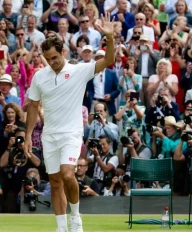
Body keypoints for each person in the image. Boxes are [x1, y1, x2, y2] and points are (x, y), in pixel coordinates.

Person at [24, 13, 115, 232]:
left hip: (71, 134)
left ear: (64, 52)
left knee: (67, 174)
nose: (52, 62)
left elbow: (109, 60)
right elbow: (34, 106)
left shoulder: (78, 71)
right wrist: (27, 135)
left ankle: (75, 218)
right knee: (55, 181)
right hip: (49, 135)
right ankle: (61, 226)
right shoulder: (39, 77)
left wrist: (110, 38)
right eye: (48, 58)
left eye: (55, 57)